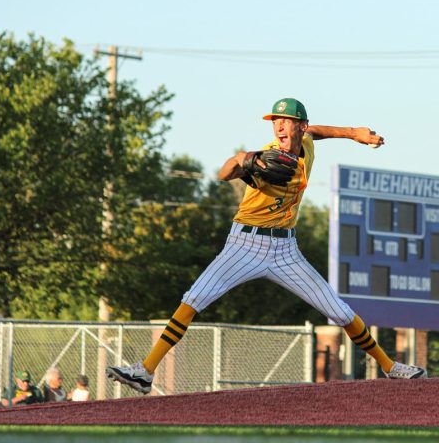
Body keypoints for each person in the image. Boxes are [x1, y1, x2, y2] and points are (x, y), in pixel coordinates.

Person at [106, 97, 427, 394]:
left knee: (339, 310)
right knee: (194, 298)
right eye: (276, 121)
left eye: (287, 121)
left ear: (299, 126)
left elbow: (315, 131)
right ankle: (146, 371)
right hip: (245, 244)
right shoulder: (267, 157)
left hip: (286, 250)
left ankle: (390, 366)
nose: (279, 126)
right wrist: (242, 159)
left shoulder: (306, 143)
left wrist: (352, 132)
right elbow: (223, 174)